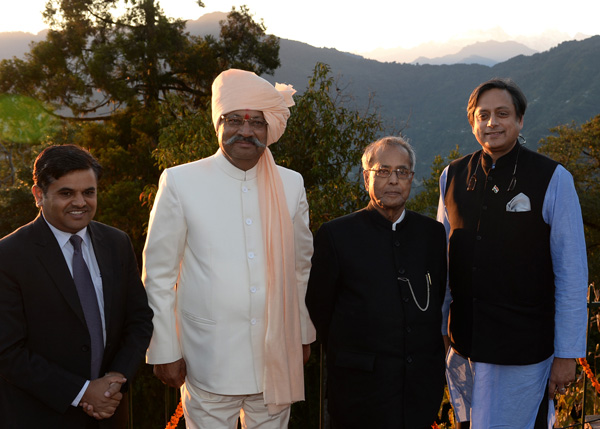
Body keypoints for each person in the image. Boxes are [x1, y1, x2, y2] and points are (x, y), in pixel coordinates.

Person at [143, 68, 315, 428]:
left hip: (275, 359)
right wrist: (164, 348)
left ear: (270, 129)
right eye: (235, 120)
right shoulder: (180, 180)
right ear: (218, 123)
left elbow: (299, 268)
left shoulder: (291, 184)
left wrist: (301, 334)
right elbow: (158, 275)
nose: (246, 131)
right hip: (208, 356)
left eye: (257, 122)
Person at [437, 78, 588, 428]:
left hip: (524, 350)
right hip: (466, 345)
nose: (492, 123)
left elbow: (571, 272)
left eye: (502, 114)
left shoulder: (552, 178)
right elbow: (444, 259)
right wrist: (441, 331)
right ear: (472, 121)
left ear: (520, 121)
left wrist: (568, 354)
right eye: (483, 115)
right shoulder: (453, 176)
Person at [0, 144, 153, 428]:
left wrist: (116, 379)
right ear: (38, 195)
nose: (80, 202)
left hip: (110, 412)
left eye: (88, 192)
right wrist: (82, 391)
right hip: (39, 415)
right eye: (66, 193)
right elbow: (8, 351)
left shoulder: (117, 243)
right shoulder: (8, 256)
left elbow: (140, 320)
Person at [306, 136, 447, 428]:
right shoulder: (336, 235)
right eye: (383, 171)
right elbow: (320, 310)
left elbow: (434, 302)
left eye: (402, 171)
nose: (393, 180)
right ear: (366, 176)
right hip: (359, 391)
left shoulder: (431, 234)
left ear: (411, 178)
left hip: (418, 392)